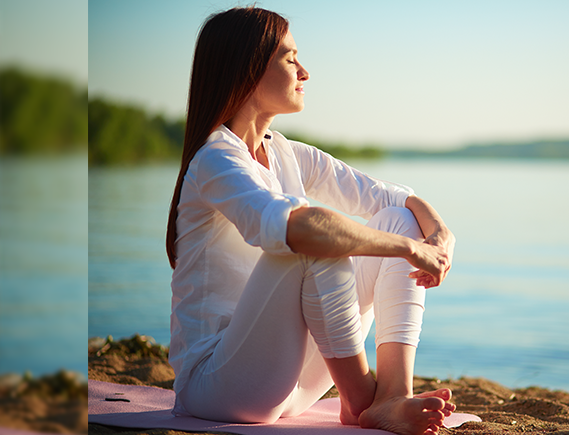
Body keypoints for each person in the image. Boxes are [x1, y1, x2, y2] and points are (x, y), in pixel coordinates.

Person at [164, 7, 456, 435]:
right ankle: (360, 400)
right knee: (312, 240)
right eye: (289, 58)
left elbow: (395, 198)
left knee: (396, 220)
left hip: (294, 386)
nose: (304, 71)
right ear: (247, 70)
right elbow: (298, 228)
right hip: (220, 387)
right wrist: (410, 249)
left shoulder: (286, 152)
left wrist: (439, 234)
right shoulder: (215, 159)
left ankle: (392, 394)